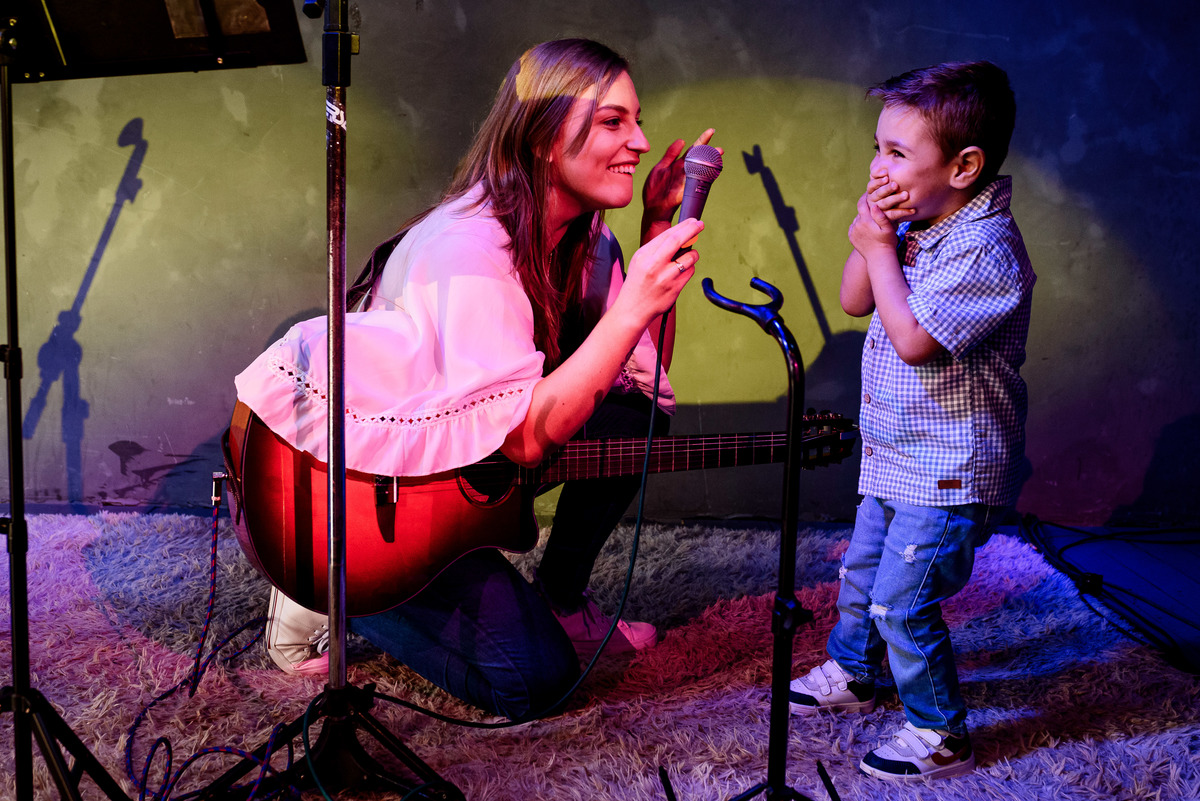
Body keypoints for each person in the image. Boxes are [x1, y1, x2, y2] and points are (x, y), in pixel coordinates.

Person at [234, 38, 717, 722]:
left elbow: (631, 373)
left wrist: (655, 222)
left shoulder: (580, 238)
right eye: (613, 121)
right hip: (371, 501)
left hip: (454, 470)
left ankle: (561, 593)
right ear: (547, 137)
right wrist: (636, 298)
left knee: (633, 416)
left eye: (635, 119)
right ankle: (329, 584)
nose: (640, 141)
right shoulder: (469, 250)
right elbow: (522, 438)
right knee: (536, 680)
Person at [787, 61, 1035, 781]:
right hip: (897, 452)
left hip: (951, 467)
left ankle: (940, 732)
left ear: (964, 166)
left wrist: (878, 248)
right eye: (878, 146)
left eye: (897, 153)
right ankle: (858, 670)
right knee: (861, 570)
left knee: (904, 598)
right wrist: (873, 239)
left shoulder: (989, 250)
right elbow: (856, 301)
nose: (878, 165)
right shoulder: (920, 223)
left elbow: (915, 339)